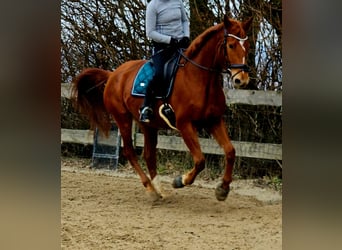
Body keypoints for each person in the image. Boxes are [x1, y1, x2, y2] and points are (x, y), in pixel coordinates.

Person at [139, 0, 190, 123]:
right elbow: (150, 32)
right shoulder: (153, 6)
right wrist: (169, 40)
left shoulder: (178, 2)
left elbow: (185, 20)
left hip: (181, 46)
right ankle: (147, 106)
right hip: (162, 48)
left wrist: (186, 36)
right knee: (160, 74)